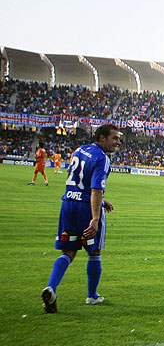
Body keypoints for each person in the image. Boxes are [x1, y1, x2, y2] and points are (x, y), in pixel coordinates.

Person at [41, 124, 121, 313]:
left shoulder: (79, 150)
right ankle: (92, 296)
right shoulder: (102, 158)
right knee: (94, 252)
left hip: (68, 204)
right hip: (86, 209)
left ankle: (51, 288)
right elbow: (96, 189)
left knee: (68, 252)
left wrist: (100, 200)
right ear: (102, 138)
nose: (118, 142)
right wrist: (95, 218)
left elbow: (80, 181)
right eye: (115, 138)